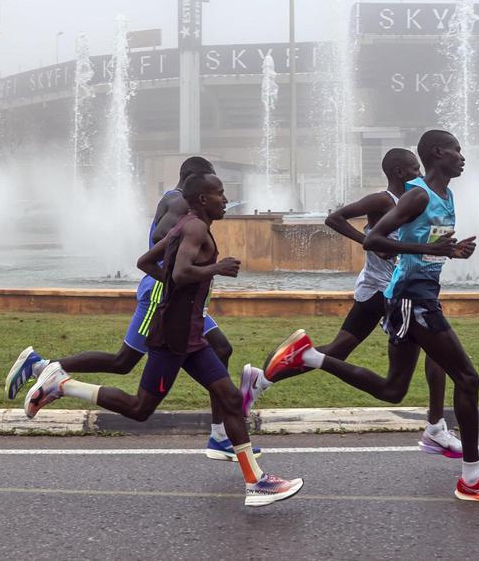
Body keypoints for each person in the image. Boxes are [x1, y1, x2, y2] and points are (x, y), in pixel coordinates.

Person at [260, 130, 479, 504]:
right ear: (437, 153)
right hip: (412, 300)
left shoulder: (446, 195)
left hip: (415, 297)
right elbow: (373, 239)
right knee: (468, 378)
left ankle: (311, 356)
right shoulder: (417, 194)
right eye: (456, 150)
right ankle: (472, 477)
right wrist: (426, 248)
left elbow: (426, 249)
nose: (462, 157)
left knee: (393, 390)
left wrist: (450, 252)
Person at [22, 174, 302, 506]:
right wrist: (215, 269)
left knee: (228, 398)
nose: (225, 200)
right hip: (174, 336)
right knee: (140, 408)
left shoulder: (183, 225)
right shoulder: (196, 228)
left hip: (190, 333)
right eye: (219, 194)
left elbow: (144, 262)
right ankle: (63, 386)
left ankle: (256, 482)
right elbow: (182, 272)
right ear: (201, 199)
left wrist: (172, 287)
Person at [5, 157, 258, 461]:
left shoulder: (180, 204)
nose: (222, 197)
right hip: (164, 297)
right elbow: (159, 238)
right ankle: (41, 366)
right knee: (124, 363)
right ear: (197, 187)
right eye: (215, 187)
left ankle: (220, 435)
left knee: (221, 348)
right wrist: (194, 260)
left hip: (184, 301)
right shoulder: (183, 208)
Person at [241, 149, 463, 458]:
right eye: (414, 169)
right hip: (384, 291)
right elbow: (334, 218)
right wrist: (370, 244)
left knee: (338, 350)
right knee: (434, 352)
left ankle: (263, 379)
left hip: (388, 290)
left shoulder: (417, 200)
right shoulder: (384, 200)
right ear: (399, 172)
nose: (420, 174)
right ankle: (436, 426)